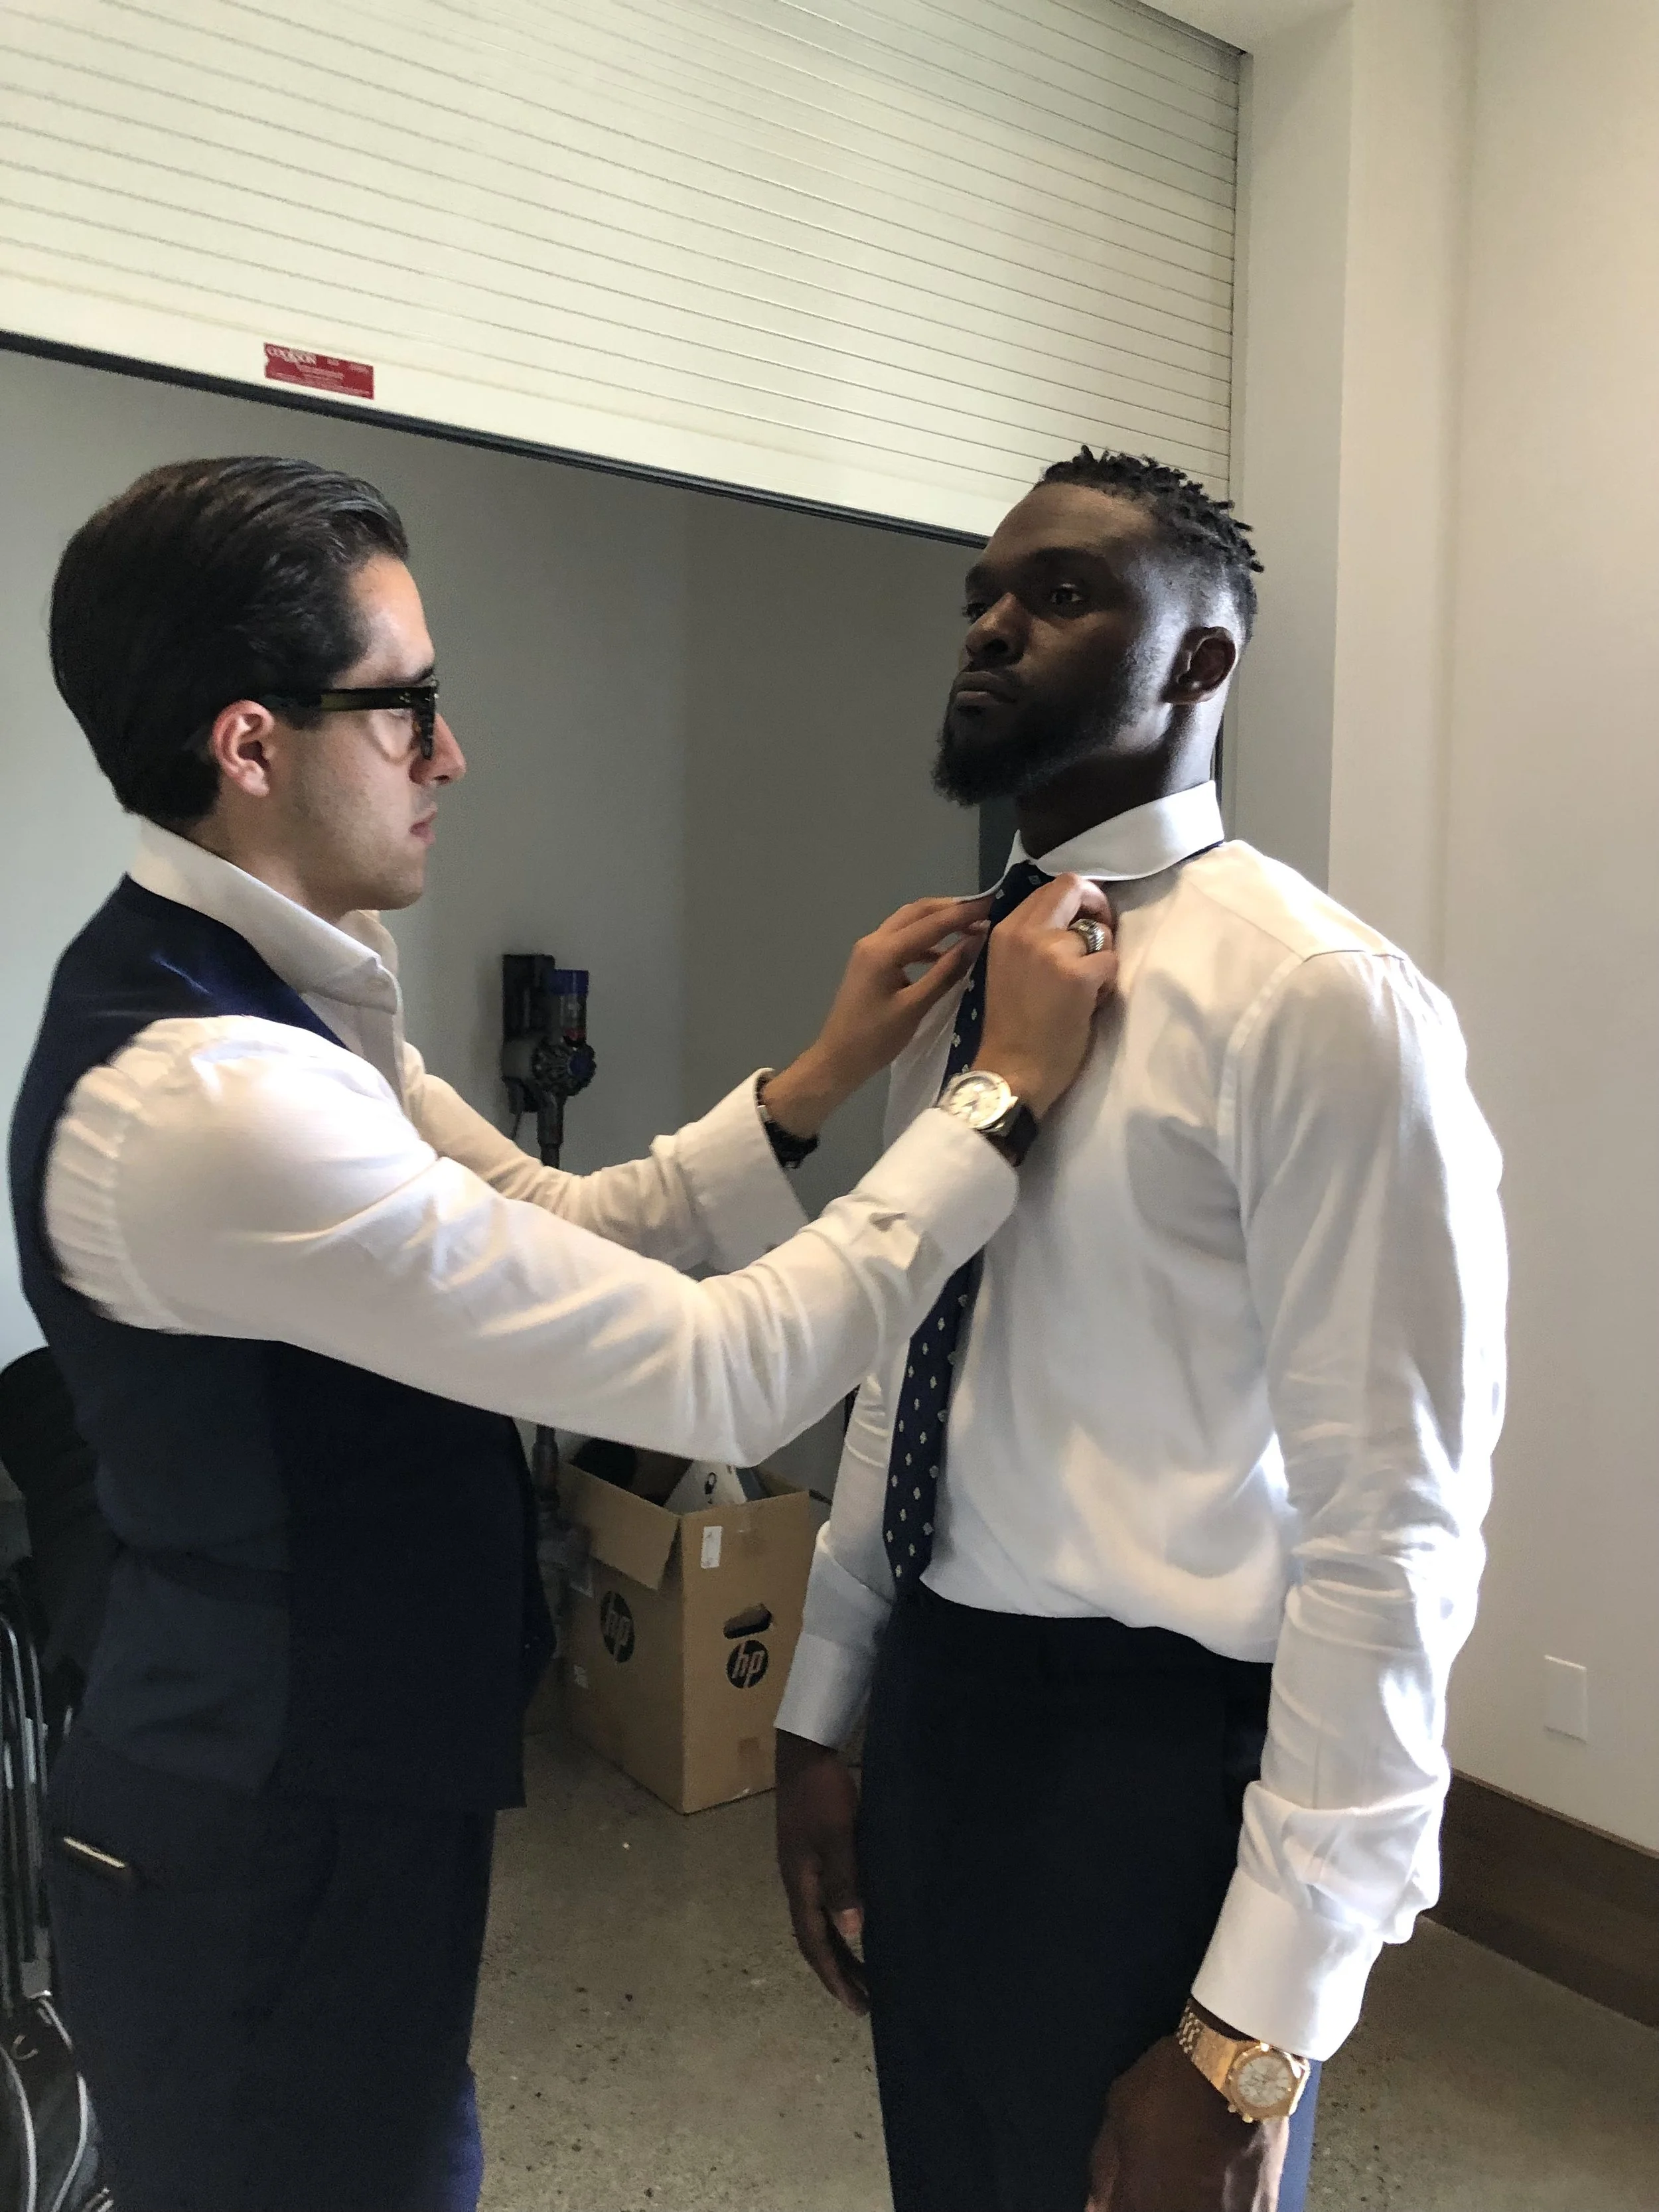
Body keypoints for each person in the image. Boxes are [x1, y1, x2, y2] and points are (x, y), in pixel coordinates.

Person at [8, 455, 1118, 2212]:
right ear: (247, 744)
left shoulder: (303, 992)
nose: (450, 753)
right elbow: (726, 1364)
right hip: (254, 1846)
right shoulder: (212, 1097)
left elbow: (558, 1222)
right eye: (408, 708)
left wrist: (817, 1083)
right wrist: (992, 1105)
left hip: (341, 1801)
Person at [774, 449, 1508, 2212]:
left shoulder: (1321, 1004)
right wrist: (826, 1706)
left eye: (1062, 591)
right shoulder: (972, 975)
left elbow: (1392, 1531)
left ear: (1200, 665)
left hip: (1159, 1766)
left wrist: (1255, 2031)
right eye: (979, 594)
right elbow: (912, 1358)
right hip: (948, 1720)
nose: (992, 624)